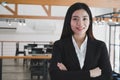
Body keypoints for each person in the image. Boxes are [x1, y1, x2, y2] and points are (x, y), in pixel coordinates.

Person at [49, 2, 112, 80]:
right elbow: (55, 76)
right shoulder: (59, 45)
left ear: (89, 21)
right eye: (75, 19)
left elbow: (107, 76)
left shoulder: (100, 46)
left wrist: (68, 74)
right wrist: (90, 73)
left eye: (84, 18)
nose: (80, 23)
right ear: (69, 21)